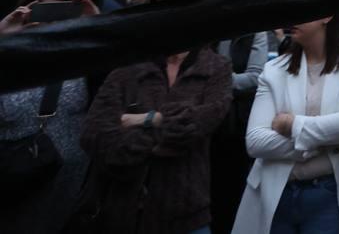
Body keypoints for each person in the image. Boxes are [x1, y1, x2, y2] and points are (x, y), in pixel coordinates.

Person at [235, 14, 339, 234]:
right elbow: (255, 141)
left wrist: (292, 125)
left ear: (327, 16)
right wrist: (318, 143)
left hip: (332, 192)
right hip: (279, 192)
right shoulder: (275, 70)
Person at [82, 40, 233, 233]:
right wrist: (167, 129)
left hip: (186, 214)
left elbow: (204, 120)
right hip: (123, 211)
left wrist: (147, 119)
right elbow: (95, 135)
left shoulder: (216, 67)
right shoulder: (129, 67)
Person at [0, 0, 99, 233]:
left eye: (61, 16)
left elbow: (120, 83)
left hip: (62, 191)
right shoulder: (8, 61)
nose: (50, 24)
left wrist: (98, 28)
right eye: (42, 15)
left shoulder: (86, 63)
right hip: (8, 182)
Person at [212, 0, 269, 233]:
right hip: (210, 118)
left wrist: (219, 81)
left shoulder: (253, 29)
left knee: (232, 186)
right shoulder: (209, 28)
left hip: (236, 120)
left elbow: (256, 76)